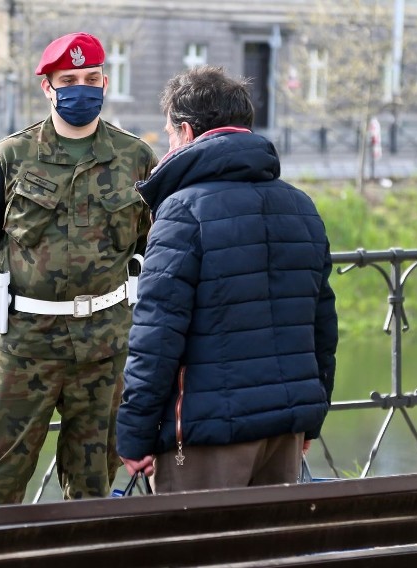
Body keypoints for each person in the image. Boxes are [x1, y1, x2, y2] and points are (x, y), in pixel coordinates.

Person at [0, 32, 158, 506]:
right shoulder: (10, 157)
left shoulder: (136, 158)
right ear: (47, 87)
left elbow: (150, 241)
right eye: (69, 80)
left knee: (92, 490)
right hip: (27, 344)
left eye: (91, 79)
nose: (81, 89)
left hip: (105, 346)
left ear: (105, 82)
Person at [116, 65, 338, 493]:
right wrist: (311, 417)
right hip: (285, 429)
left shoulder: (182, 211)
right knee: (269, 552)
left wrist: (134, 433)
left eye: (167, 134)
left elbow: (157, 336)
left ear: (184, 131)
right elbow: (322, 329)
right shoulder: (301, 206)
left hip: (206, 437)